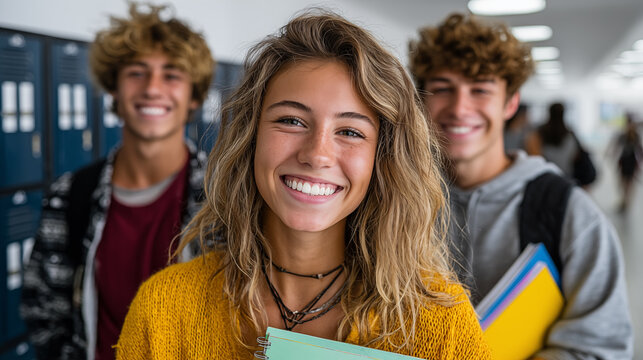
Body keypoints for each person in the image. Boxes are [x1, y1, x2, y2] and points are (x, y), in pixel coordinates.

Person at [115, 10, 491, 359]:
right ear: (251, 137)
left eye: (349, 131)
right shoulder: (164, 309)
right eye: (292, 121)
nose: (317, 154)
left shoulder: (442, 323)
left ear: (383, 158)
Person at [409, 13, 632, 359]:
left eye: (480, 89)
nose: (459, 108)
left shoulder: (567, 211)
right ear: (422, 99)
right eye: (442, 88)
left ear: (510, 103)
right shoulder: (396, 202)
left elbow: (600, 346)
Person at [20, 4, 214, 360]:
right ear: (114, 92)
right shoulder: (71, 194)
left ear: (194, 98)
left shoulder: (224, 197)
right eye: (136, 73)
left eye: (172, 75)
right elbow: (42, 307)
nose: (153, 88)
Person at [525, 102, 596, 187]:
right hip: (567, 180)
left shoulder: (539, 134)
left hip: (546, 180)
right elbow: (576, 157)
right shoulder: (570, 135)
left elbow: (535, 157)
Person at [608, 113, 643, 212]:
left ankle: (626, 201)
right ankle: (625, 200)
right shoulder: (623, 135)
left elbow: (639, 149)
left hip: (631, 161)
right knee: (623, 182)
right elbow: (616, 146)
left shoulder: (635, 135)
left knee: (629, 183)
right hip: (624, 161)